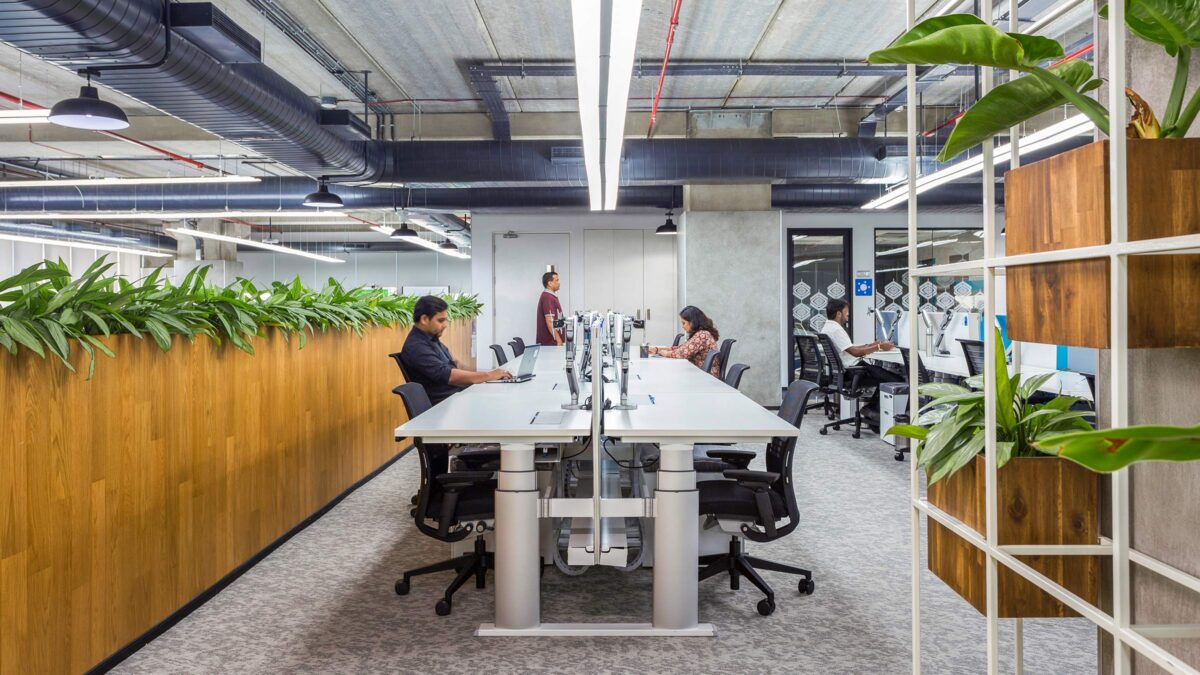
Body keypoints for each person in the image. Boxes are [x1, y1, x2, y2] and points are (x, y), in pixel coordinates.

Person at [400, 295, 512, 404]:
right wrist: (488, 376)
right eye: (440, 320)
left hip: (457, 396)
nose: (445, 325)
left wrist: (489, 373)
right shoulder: (416, 346)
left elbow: (456, 364)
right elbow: (450, 376)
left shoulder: (431, 339)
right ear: (424, 319)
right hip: (446, 404)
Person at [818, 299, 902, 411]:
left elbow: (850, 348)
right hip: (855, 371)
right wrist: (879, 347)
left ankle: (872, 410)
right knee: (897, 380)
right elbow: (855, 352)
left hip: (848, 371)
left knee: (885, 376)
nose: (848, 314)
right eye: (846, 312)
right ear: (839, 314)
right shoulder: (836, 329)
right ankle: (873, 410)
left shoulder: (828, 327)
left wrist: (870, 345)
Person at [648, 305, 721, 377]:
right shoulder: (700, 333)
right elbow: (682, 348)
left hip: (705, 377)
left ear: (693, 322)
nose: (683, 326)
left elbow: (681, 354)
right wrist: (657, 350)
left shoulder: (702, 335)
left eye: (684, 323)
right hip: (700, 373)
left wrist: (663, 353)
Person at [535, 270, 564, 346]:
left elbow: (555, 320)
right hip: (550, 344)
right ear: (550, 283)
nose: (559, 282)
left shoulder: (552, 296)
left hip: (552, 343)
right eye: (556, 280)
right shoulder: (547, 297)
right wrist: (559, 341)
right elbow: (550, 321)